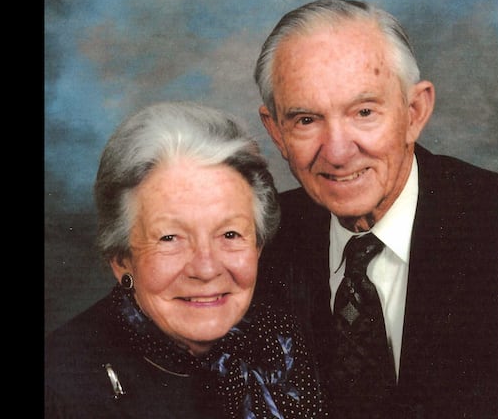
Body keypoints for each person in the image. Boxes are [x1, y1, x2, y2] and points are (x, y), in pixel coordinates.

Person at [252, 0, 498, 418]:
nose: (337, 152)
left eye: (364, 112)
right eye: (306, 120)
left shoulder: (493, 223)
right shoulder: (259, 239)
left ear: (414, 112)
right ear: (276, 131)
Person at [44, 101, 329, 418]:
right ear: (121, 258)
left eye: (230, 234)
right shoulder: (60, 385)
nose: (206, 268)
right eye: (170, 238)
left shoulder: (284, 342)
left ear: (258, 246)